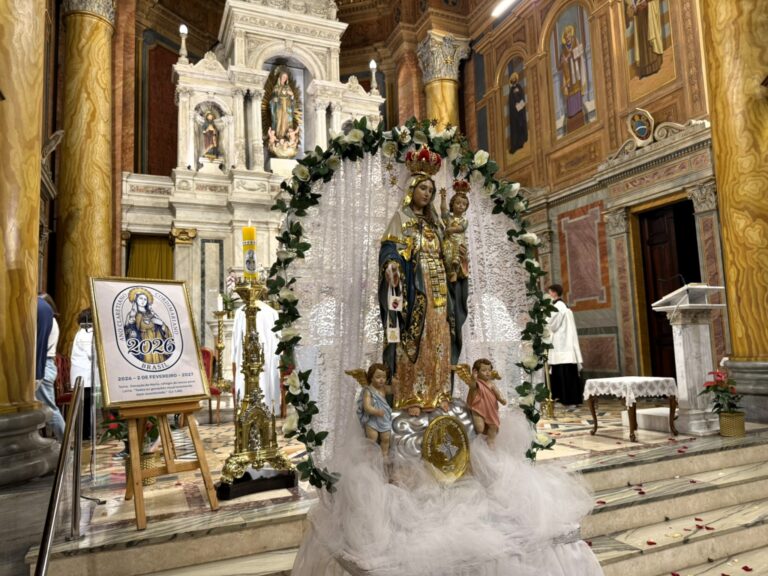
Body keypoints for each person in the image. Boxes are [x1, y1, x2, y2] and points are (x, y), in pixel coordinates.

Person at [379, 148, 455, 416]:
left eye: (431, 190)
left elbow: (447, 254)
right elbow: (389, 250)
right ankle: (411, 394)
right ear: (412, 189)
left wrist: (455, 253)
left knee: (439, 337)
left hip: (439, 289)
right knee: (415, 340)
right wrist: (391, 266)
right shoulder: (401, 219)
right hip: (414, 287)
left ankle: (439, 391)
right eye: (423, 188)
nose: (427, 193)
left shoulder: (436, 223)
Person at [231, 300, 281, 412]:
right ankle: (266, 410)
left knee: (262, 381)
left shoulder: (241, 311)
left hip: (257, 357)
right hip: (258, 356)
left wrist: (234, 357)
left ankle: (250, 410)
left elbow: (235, 342)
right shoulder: (241, 312)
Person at [546, 284, 584, 408]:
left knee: (563, 372)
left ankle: (567, 400)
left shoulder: (557, 306)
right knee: (566, 372)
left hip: (561, 344)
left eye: (550, 292)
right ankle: (570, 399)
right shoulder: (563, 305)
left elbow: (552, 325)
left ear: (554, 293)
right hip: (565, 344)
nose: (549, 294)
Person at [36, 294, 65, 441]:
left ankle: (65, 441)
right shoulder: (51, 320)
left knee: (50, 409)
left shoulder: (49, 321)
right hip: (46, 363)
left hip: (45, 363)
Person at [124, 287, 173, 365]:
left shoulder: (152, 313)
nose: (143, 301)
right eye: (140, 298)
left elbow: (163, 327)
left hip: (156, 340)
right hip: (144, 341)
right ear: (136, 299)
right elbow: (127, 330)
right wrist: (131, 330)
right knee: (147, 360)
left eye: (145, 299)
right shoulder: (131, 314)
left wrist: (161, 324)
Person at [466, 358, 507, 447]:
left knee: (493, 427)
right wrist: (473, 378)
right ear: (476, 372)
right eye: (484, 370)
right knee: (480, 429)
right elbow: (472, 386)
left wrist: (501, 399)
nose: (487, 372)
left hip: (491, 409)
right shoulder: (477, 383)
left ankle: (491, 443)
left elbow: (497, 393)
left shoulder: (491, 384)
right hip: (478, 409)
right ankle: (475, 441)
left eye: (489, 370)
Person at [355, 363, 393, 458]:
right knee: (372, 439)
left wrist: (396, 384)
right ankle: (370, 457)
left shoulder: (384, 388)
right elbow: (367, 407)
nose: (381, 380)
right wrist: (376, 411)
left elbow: (393, 390)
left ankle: (384, 456)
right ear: (371, 378)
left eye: (384, 377)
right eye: (378, 377)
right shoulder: (368, 391)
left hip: (384, 418)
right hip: (372, 419)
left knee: (386, 438)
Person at [558, 24, 587, 134]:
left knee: (577, 87)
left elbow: (579, 52)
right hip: (568, 73)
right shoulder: (563, 49)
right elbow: (561, 62)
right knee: (570, 91)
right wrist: (565, 60)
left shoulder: (575, 42)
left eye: (569, 35)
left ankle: (578, 107)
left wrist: (574, 54)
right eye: (566, 36)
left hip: (576, 69)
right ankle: (571, 111)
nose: (568, 38)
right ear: (564, 38)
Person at [70, 308, 94, 440]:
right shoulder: (87, 333)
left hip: (84, 375)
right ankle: (85, 434)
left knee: (86, 407)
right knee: (85, 407)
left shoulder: (83, 332)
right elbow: (92, 354)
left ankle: (87, 433)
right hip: (85, 376)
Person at [625, 0, 664, 78]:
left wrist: (646, 2)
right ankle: (645, 70)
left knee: (650, 39)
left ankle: (655, 65)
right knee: (642, 43)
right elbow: (632, 6)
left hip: (648, 13)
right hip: (640, 17)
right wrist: (634, 8)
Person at [270, 69, 294, 141]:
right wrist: (275, 100)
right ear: (280, 77)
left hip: (287, 106)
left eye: (286, 77)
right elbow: (272, 98)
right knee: (278, 119)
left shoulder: (287, 87)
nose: (284, 78)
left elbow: (292, 96)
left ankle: (286, 134)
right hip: (278, 106)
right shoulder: (276, 87)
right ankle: (278, 134)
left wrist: (291, 96)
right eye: (283, 77)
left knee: (286, 120)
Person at [508, 71, 528, 154]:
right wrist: (514, 106)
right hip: (514, 114)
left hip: (520, 112)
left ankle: (521, 142)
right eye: (512, 79)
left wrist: (519, 106)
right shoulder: (511, 90)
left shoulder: (519, 87)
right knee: (515, 129)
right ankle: (515, 145)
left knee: (520, 127)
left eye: (514, 79)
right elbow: (511, 101)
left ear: (516, 79)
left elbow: (522, 99)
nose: (513, 80)